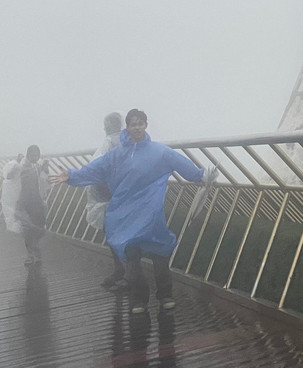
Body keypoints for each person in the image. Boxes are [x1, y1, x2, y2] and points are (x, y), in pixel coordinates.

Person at [50, 108, 210, 314]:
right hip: (125, 213)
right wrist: (72, 175)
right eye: (133, 124)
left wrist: (201, 175)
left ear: (146, 125)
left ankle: (165, 295)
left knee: (159, 251)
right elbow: (95, 168)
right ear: (127, 127)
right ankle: (139, 299)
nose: (137, 127)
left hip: (150, 212)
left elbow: (181, 163)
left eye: (140, 123)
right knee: (131, 253)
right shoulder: (116, 155)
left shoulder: (159, 152)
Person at [86, 112, 126, 289]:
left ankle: (124, 273)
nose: (105, 128)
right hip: (114, 192)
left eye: (107, 125)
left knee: (116, 233)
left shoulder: (112, 142)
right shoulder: (118, 141)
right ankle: (121, 270)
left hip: (113, 192)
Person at [2, 145, 51, 265]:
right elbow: (8, 176)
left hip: (37, 201)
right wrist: (16, 163)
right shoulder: (21, 167)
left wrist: (46, 168)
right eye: (33, 155)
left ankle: (36, 251)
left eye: (37, 155)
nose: (35, 157)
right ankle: (30, 254)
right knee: (27, 229)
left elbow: (46, 180)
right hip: (24, 201)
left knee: (39, 227)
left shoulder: (37, 167)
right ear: (28, 155)